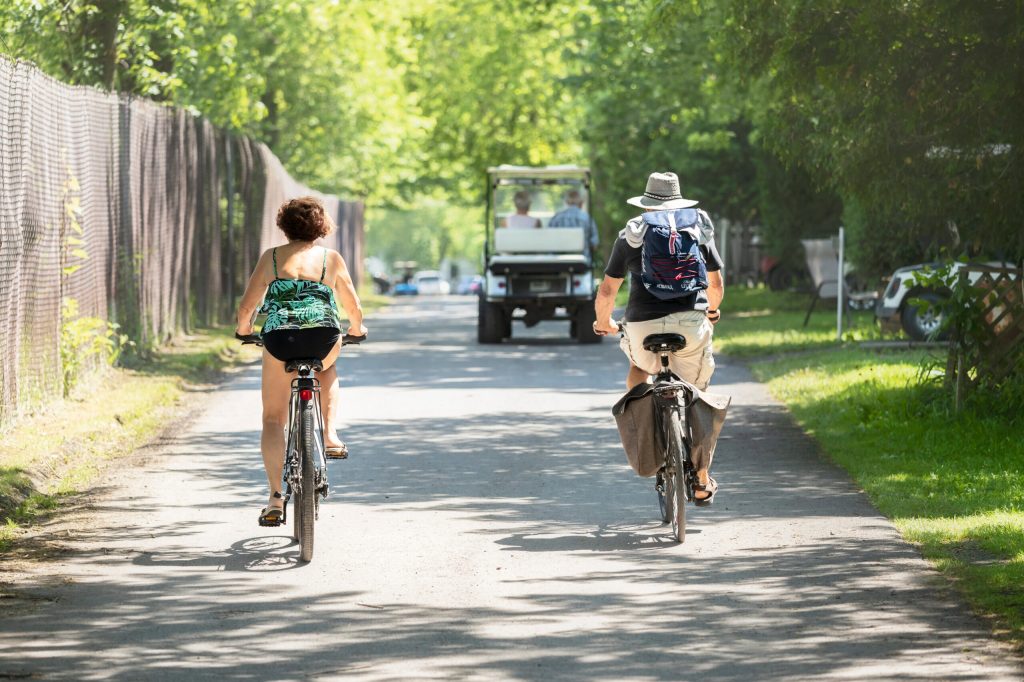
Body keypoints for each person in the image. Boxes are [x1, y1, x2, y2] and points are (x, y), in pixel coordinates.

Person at [593, 171, 724, 503]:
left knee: (638, 369)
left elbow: (608, 290)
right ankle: (702, 478)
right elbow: (716, 287)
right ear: (678, 202)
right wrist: (710, 312)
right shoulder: (697, 229)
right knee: (698, 391)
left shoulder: (631, 235)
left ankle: (650, 430)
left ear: (647, 205)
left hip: (642, 326)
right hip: (690, 325)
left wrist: (603, 322)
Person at [235, 196, 367, 526]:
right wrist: (357, 329)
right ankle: (330, 435)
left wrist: (244, 331)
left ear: (285, 225)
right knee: (329, 367)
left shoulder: (272, 258)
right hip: (322, 336)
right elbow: (352, 306)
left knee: (272, 418)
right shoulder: (330, 259)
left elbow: (246, 307)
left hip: (280, 338)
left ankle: (275, 498)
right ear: (321, 226)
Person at [549, 188, 599, 253]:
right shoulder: (587, 218)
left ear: (566, 202)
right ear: (581, 203)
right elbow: (594, 245)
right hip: (582, 261)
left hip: (558, 261)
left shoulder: (555, 218)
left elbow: (549, 242)